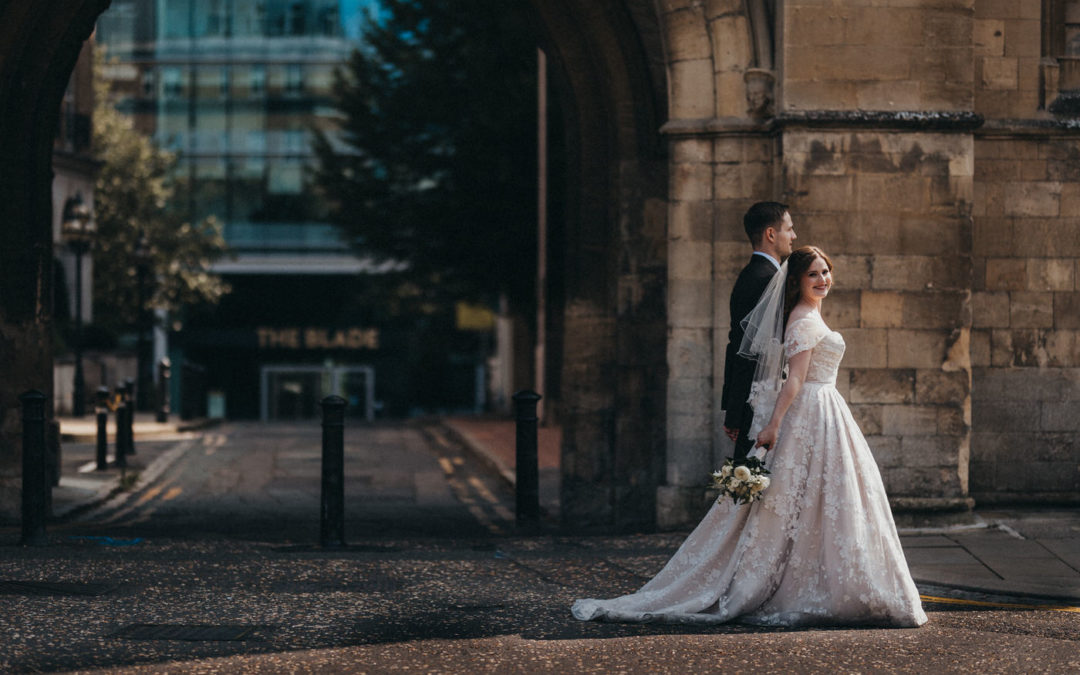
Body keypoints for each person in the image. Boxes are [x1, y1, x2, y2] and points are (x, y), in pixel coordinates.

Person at [572, 246, 927, 627]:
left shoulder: (809, 315)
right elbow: (795, 380)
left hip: (825, 410)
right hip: (811, 408)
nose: (822, 279)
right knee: (803, 498)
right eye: (813, 275)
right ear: (797, 281)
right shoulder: (803, 320)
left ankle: (826, 580)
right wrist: (773, 425)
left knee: (823, 497)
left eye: (826, 272)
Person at [722, 201, 796, 462]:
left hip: (760, 398)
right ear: (771, 234)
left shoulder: (758, 274)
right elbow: (744, 348)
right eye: (789, 229)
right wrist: (735, 411)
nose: (794, 236)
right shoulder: (763, 279)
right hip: (758, 402)